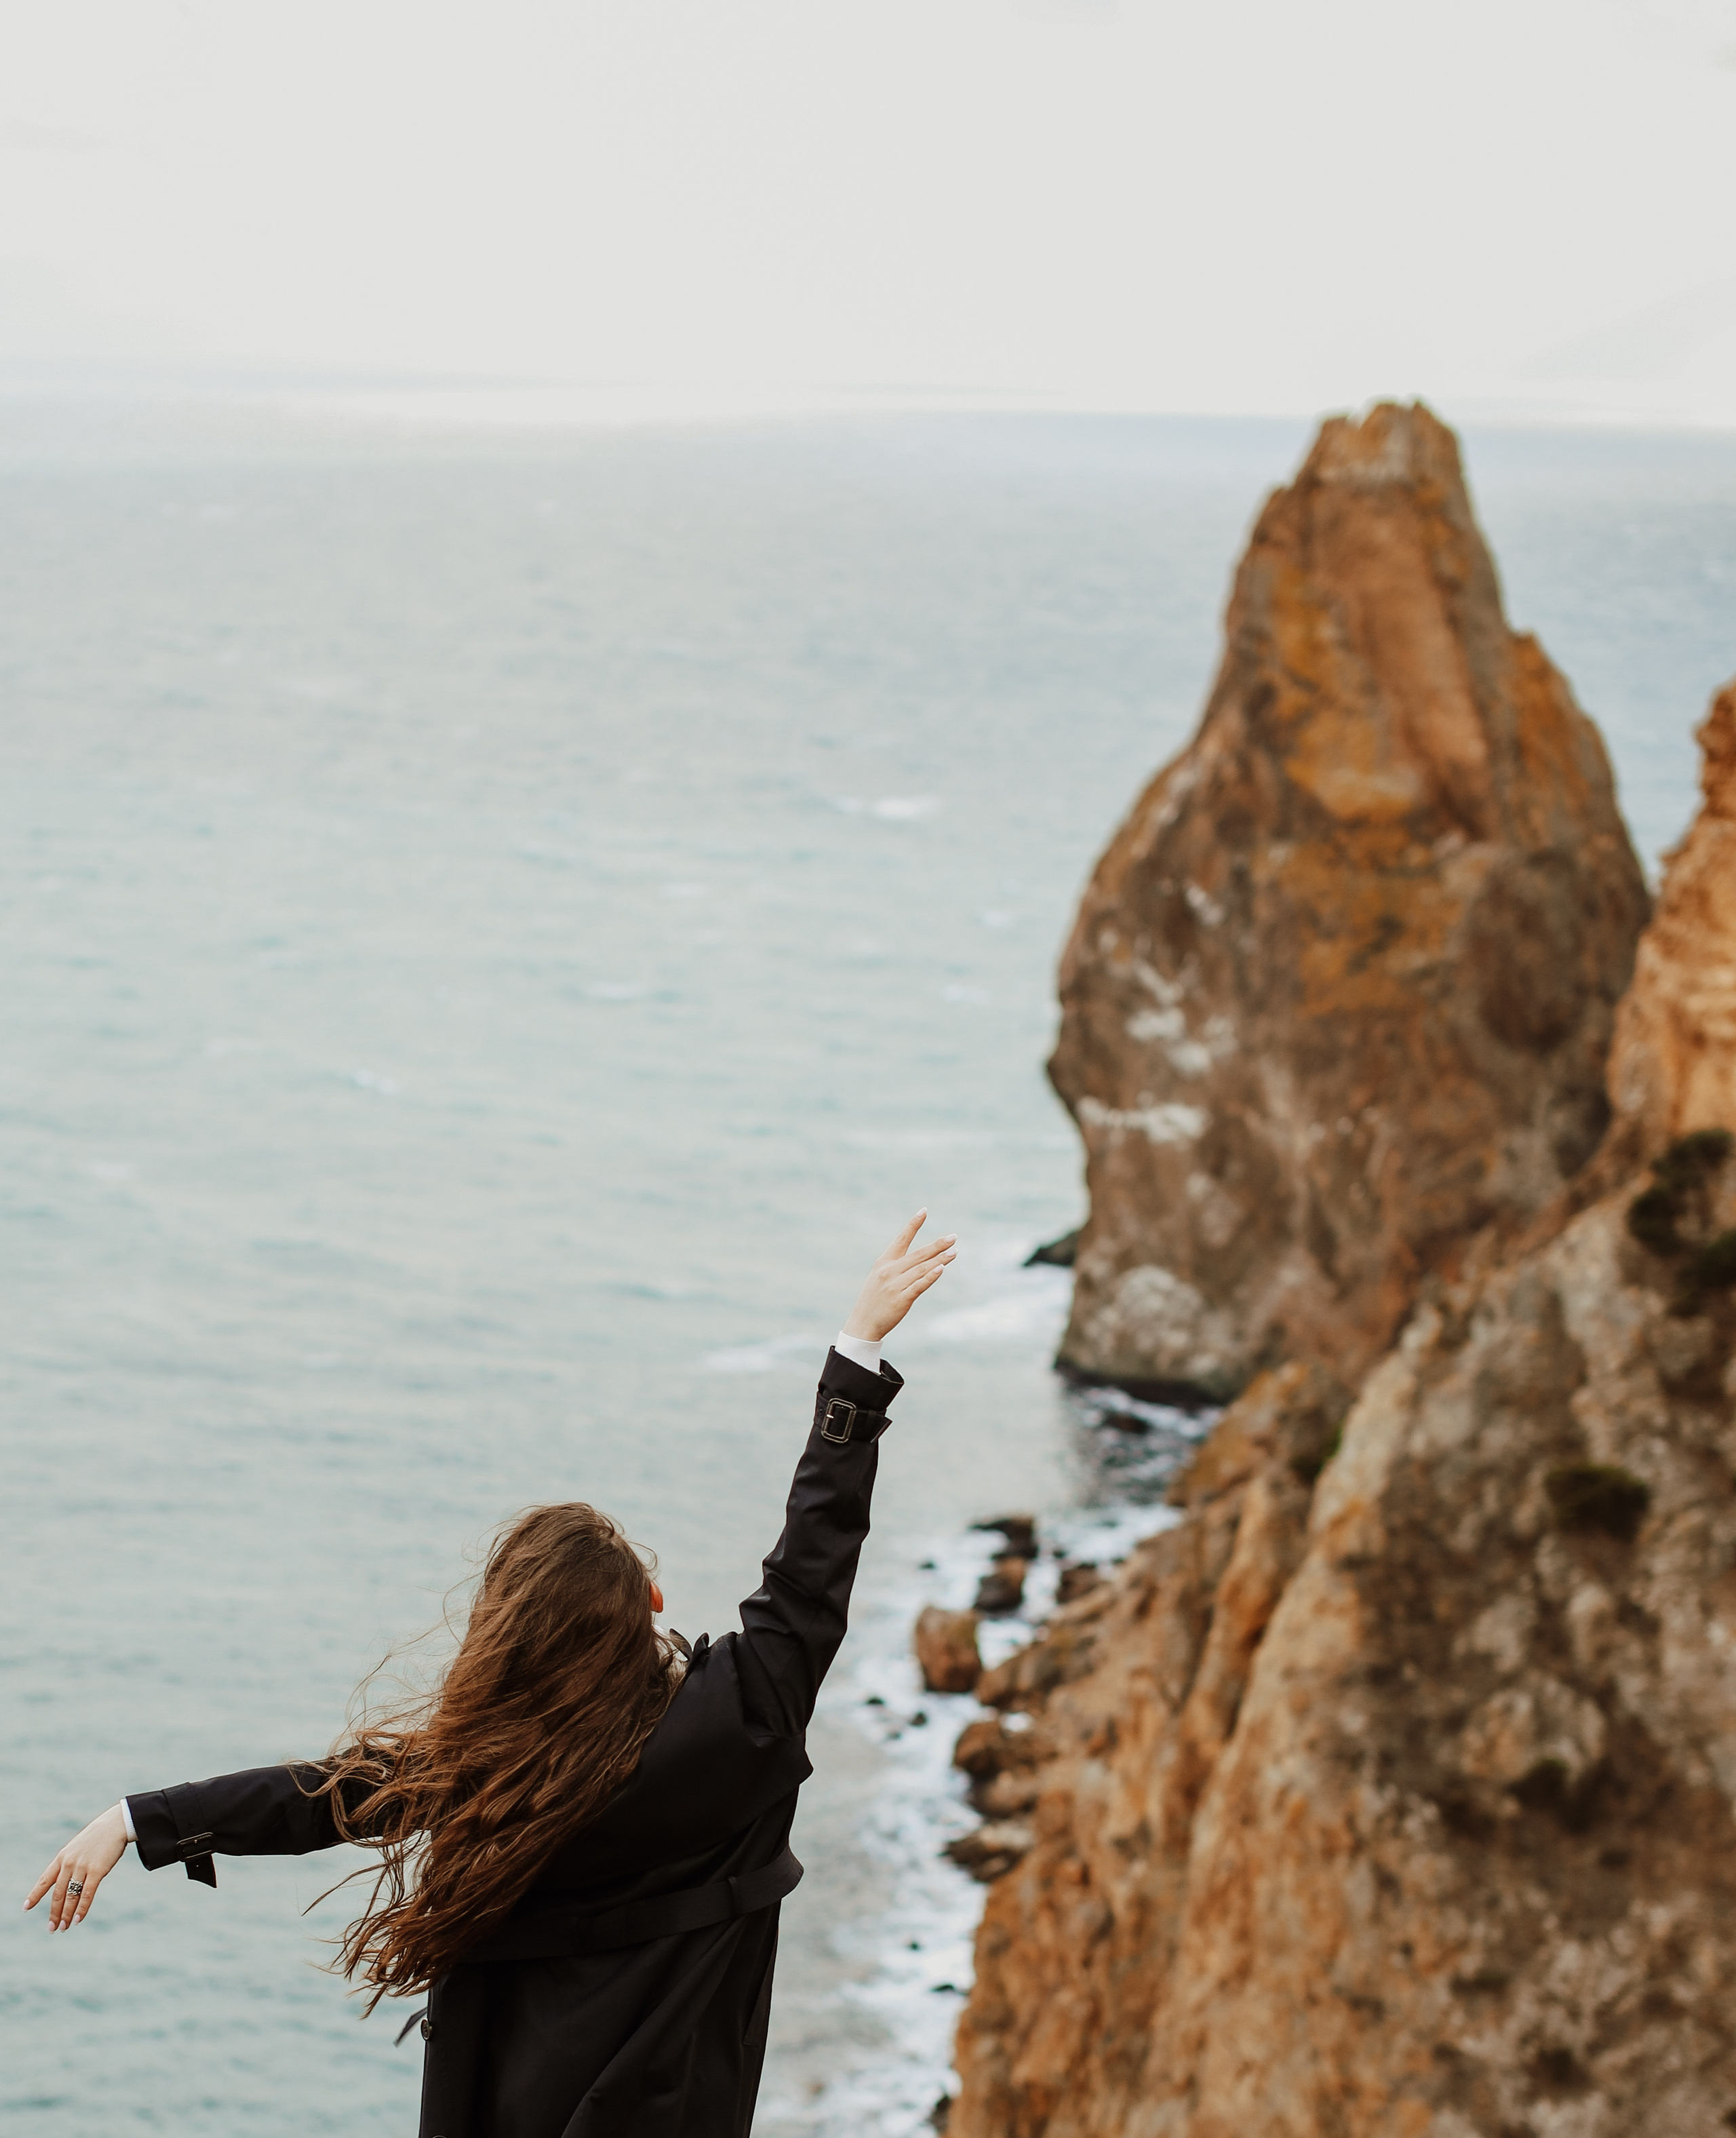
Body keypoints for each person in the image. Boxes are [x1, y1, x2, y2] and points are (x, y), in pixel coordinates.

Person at [26, 1211, 956, 2138]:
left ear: (509, 1634)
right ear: (655, 1603)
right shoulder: (741, 1719)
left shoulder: (500, 1763)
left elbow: (319, 1797)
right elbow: (812, 1564)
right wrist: (857, 1348)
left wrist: (136, 1820)